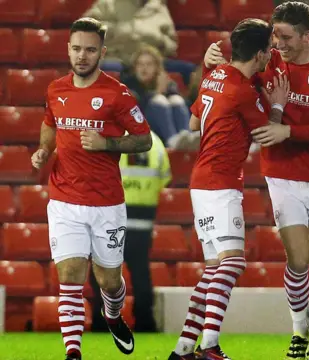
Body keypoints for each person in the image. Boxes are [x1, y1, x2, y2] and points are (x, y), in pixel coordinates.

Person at [204, 3, 309, 359]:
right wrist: (212, 65)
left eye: (285, 36)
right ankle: (301, 336)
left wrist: (287, 131)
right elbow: (233, 82)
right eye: (274, 35)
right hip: (281, 173)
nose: (277, 43)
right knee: (298, 262)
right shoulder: (270, 61)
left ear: (305, 35)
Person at [30, 17, 152, 360]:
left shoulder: (117, 94)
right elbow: (50, 124)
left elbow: (143, 140)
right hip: (64, 198)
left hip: (106, 204)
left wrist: (107, 143)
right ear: (68, 49)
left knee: (108, 281)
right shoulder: (56, 89)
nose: (82, 56)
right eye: (76, 48)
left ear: (102, 52)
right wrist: (44, 151)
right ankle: (73, 351)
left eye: (89, 50)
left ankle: (112, 315)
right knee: (69, 274)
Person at [168, 18, 289, 360]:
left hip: (202, 181)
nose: (271, 56)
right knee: (233, 264)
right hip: (220, 184)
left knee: (214, 270)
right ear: (261, 54)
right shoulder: (241, 89)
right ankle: (210, 346)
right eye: (269, 50)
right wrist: (277, 104)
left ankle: (184, 348)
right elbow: (268, 134)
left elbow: (193, 122)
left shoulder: (214, 77)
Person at [89, 130, 171, 333]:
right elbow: (165, 179)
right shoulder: (155, 141)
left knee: (103, 272)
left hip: (111, 217)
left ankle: (102, 322)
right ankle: (145, 321)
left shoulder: (108, 137)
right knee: (141, 273)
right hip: (143, 220)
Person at [122, 45, 191, 148]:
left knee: (176, 99)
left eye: (149, 64)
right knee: (159, 100)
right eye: (140, 64)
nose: (144, 68)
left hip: (163, 123)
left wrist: (163, 90)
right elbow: (138, 106)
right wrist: (158, 92)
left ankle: (187, 138)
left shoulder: (164, 81)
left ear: (157, 67)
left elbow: (178, 99)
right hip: (141, 125)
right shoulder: (129, 83)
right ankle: (172, 141)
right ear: (135, 67)